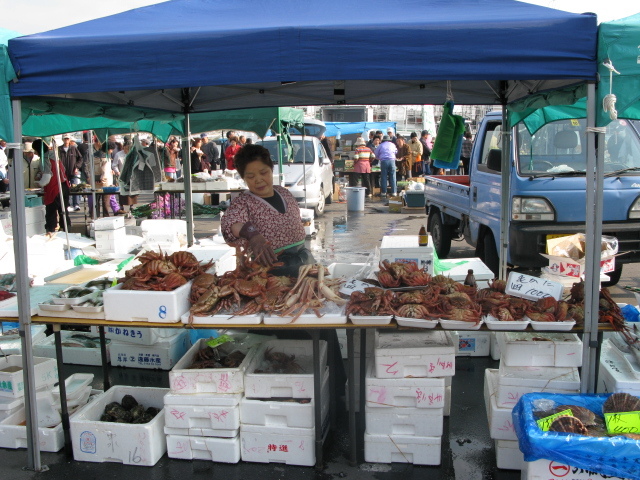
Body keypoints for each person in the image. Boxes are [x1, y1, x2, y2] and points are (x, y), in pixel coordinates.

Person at [221, 144, 315, 276]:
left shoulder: (284, 193)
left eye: (263, 172)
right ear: (244, 178)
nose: (258, 180)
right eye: (251, 176)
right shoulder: (243, 202)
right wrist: (253, 235)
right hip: (268, 271)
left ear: (271, 169)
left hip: (303, 262)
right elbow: (231, 224)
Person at [44, 150, 71, 235]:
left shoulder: (47, 159)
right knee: (63, 210)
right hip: (64, 186)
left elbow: (47, 176)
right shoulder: (58, 160)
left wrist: (39, 183)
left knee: (51, 210)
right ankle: (66, 229)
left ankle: (51, 230)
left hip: (54, 188)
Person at [58, 134, 84, 211]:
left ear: (69, 140)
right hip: (63, 173)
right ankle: (67, 204)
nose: (66, 140)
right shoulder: (59, 149)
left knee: (75, 188)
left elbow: (80, 158)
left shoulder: (73, 148)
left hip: (73, 172)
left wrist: (76, 167)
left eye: (67, 139)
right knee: (65, 189)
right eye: (65, 139)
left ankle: (76, 204)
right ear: (62, 140)